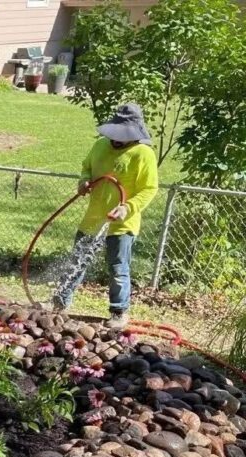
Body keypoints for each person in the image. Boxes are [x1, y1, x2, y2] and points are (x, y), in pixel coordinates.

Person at [53, 103, 159, 328]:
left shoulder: (142, 154)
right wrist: (83, 181)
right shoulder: (100, 145)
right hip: (92, 219)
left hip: (122, 224)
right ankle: (60, 304)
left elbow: (149, 189)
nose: (116, 139)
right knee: (77, 262)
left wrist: (127, 207)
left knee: (118, 269)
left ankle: (119, 312)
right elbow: (86, 167)